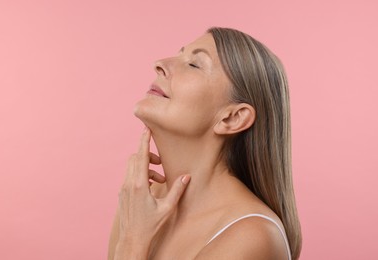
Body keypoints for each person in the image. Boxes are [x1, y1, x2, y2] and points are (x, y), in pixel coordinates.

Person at [108, 27, 302, 260]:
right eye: (180, 55)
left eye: (194, 64)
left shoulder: (252, 237)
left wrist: (132, 243)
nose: (159, 64)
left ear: (232, 118)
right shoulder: (140, 201)